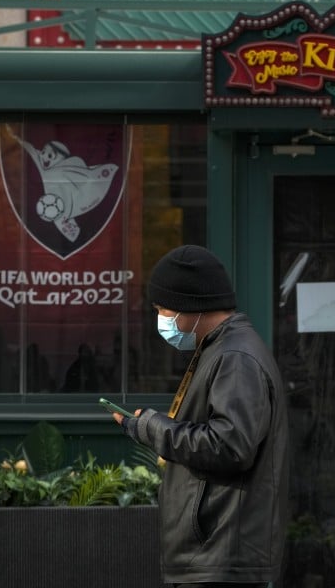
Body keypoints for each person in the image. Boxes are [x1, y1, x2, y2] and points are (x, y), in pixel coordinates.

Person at [111, 245, 289, 588]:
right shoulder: (224, 349)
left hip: (221, 553)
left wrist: (154, 427)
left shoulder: (235, 356)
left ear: (189, 306)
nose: (161, 319)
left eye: (163, 309)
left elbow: (230, 445)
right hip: (217, 552)